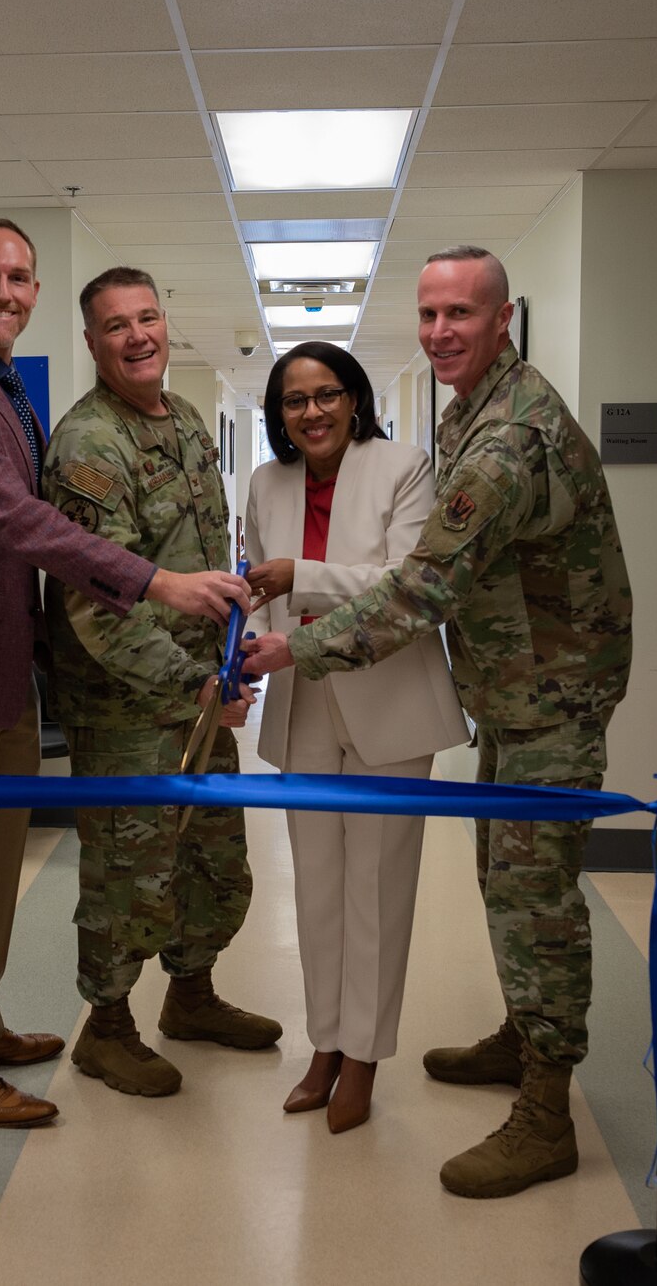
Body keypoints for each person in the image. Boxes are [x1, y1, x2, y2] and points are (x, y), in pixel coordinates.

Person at [244, 246, 632, 1198]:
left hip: (550, 690)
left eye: (462, 312)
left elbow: (420, 586)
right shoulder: (473, 411)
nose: (441, 330)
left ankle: (547, 1110)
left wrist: (297, 641)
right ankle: (518, 1038)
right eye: (428, 314)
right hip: (514, 685)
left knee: (533, 901)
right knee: (503, 876)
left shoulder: (501, 441)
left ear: (505, 317)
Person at [0, 220, 250, 1132]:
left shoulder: (0, 387)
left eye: (20, 276)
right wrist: (155, 581)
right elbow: (16, 521)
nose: (6, 291)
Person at [42, 266, 279, 1100]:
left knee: (214, 858)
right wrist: (193, 685)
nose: (138, 336)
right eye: (116, 325)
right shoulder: (88, 446)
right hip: (128, 706)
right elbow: (96, 608)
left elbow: (203, 556)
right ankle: (106, 1028)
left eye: (147, 318)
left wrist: (226, 658)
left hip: (197, 691)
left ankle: (192, 993)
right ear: (92, 341)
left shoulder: (181, 419)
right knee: (128, 870)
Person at [244, 341, 468, 1134]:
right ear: (279, 415)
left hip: (392, 705)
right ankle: (325, 1044)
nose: (312, 411)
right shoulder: (266, 480)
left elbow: (403, 582)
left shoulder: (404, 466)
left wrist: (295, 574)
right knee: (317, 888)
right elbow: (256, 588)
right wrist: (245, 658)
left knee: (378, 887)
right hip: (303, 703)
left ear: (355, 398)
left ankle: (365, 1056)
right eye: (294, 400)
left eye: (327, 394)